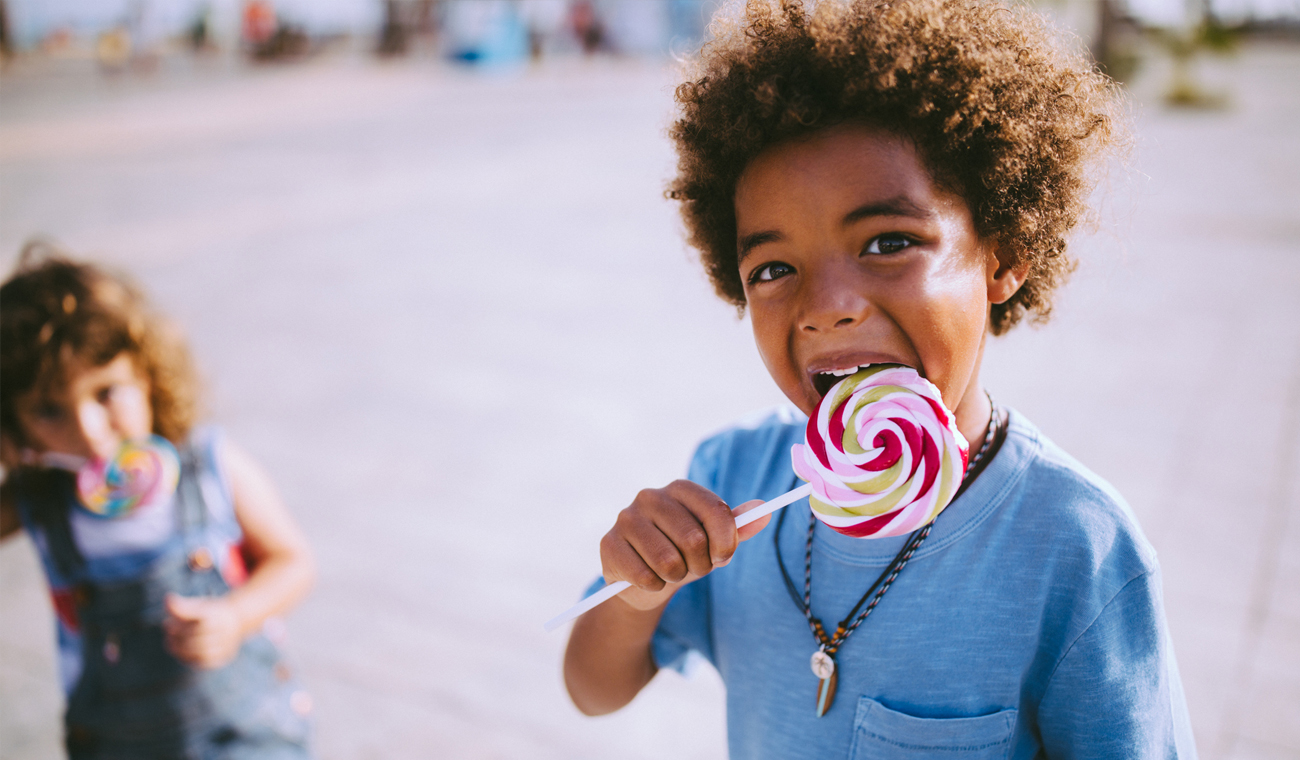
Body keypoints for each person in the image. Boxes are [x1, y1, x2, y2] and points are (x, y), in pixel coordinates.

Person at [563, 1, 1198, 757]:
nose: (826, 308)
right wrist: (640, 591)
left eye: (888, 241)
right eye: (772, 268)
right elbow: (591, 688)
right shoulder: (733, 483)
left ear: (1004, 254)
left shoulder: (1075, 547)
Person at [0, 245, 316, 759]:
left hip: (243, 731)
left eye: (106, 393)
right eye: (48, 410)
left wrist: (234, 617)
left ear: (147, 374)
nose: (89, 430)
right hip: (117, 743)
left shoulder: (208, 465)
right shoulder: (39, 498)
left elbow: (293, 562)